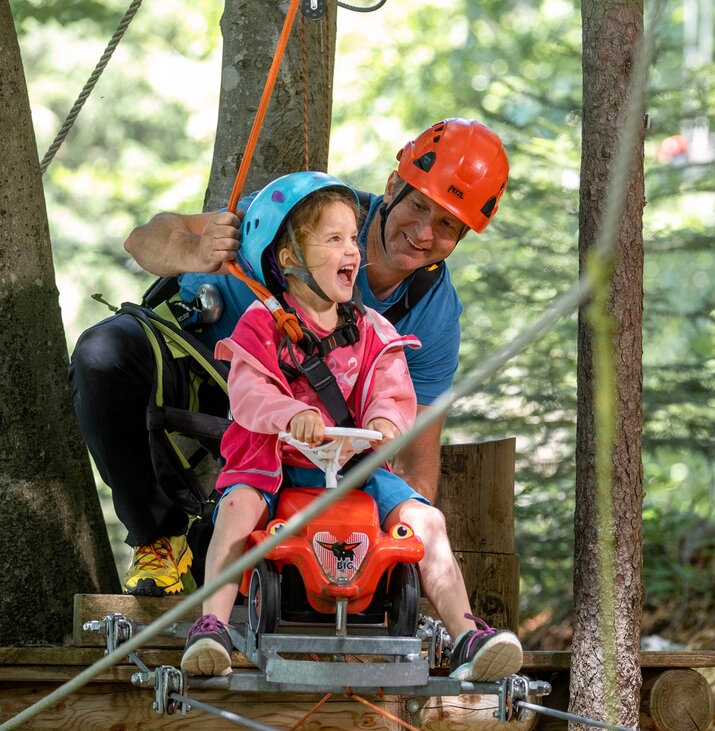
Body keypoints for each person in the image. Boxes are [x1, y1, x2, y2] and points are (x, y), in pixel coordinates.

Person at [68, 119, 520, 677]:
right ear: (393, 184)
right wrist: (194, 245)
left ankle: (466, 634)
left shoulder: (431, 309)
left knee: (268, 570)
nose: (425, 233)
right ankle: (160, 541)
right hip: (219, 395)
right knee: (103, 356)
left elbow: (415, 449)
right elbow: (142, 241)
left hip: (318, 448)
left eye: (448, 226)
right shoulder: (304, 212)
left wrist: (387, 546)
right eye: (419, 207)